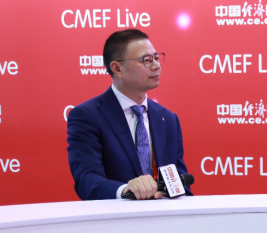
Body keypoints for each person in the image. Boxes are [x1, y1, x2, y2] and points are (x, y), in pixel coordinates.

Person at [67, 29, 191, 200]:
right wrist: (126, 190)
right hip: (116, 215)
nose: (156, 66)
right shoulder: (87, 116)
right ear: (117, 68)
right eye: (146, 60)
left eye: (156, 58)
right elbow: (87, 181)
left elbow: (181, 184)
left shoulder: (167, 119)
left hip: (164, 215)